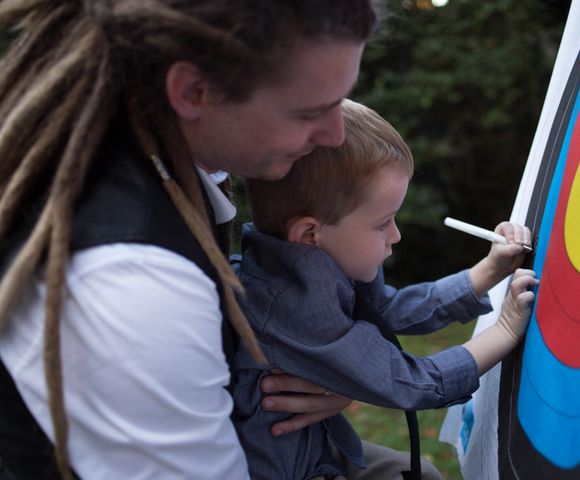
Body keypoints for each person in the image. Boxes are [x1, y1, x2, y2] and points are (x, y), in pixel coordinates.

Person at [0, 1, 380, 479]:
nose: (334, 135)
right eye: (310, 112)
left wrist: (328, 368)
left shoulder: (172, 155)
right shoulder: (133, 283)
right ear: (193, 92)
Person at [232, 99, 538, 480]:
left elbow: (390, 310)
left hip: (316, 449)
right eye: (382, 224)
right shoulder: (293, 307)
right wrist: (506, 330)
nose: (396, 235)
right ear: (310, 233)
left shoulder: (314, 263)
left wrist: (489, 270)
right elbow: (409, 381)